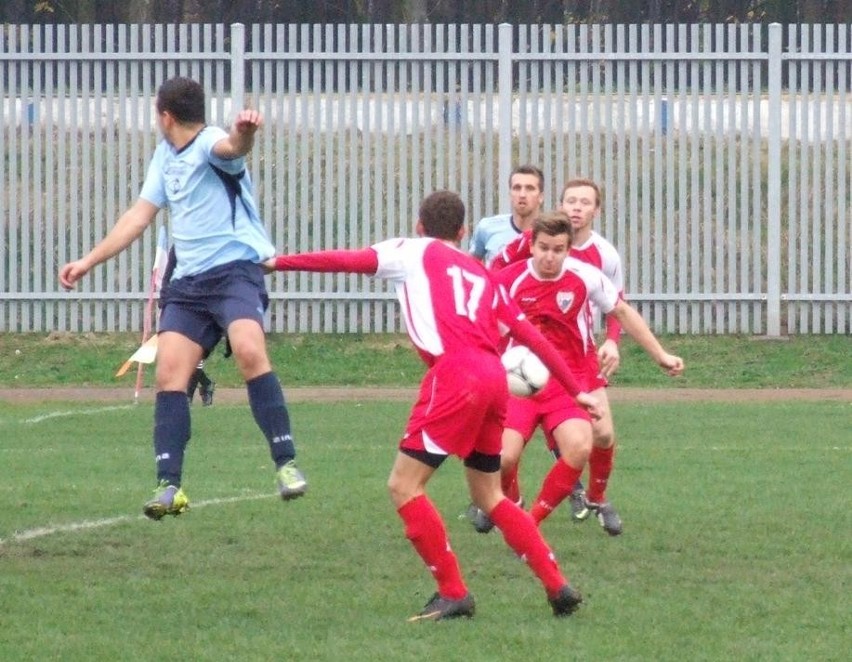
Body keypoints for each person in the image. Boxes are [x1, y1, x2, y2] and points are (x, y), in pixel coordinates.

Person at [266, 190, 601, 620]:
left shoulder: (410, 251)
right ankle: (558, 587)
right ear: (463, 232)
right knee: (489, 494)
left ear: (420, 226)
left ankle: (453, 592)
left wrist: (279, 262)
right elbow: (532, 338)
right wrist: (577, 389)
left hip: (456, 374)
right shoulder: (482, 272)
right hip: (496, 377)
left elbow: (347, 260)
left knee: (404, 486)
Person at [59, 76, 306, 520]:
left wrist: (245, 133)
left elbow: (232, 150)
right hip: (188, 285)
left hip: (234, 272)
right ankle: (169, 486)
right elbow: (139, 215)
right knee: (170, 373)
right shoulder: (164, 156)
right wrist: (88, 261)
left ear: (165, 115)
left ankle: (286, 464)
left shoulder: (211, 142)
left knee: (250, 350)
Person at [469, 211, 683, 533]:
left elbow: (621, 311)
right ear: (532, 246)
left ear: (569, 249)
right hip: (517, 384)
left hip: (570, 381)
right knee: (502, 459)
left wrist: (660, 355)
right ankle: (513, 505)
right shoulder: (508, 280)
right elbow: (480, 326)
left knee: (582, 446)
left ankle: (530, 524)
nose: (550, 257)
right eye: (543, 248)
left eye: (558, 249)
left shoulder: (585, 276)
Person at [490, 178, 630, 533]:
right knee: (507, 449)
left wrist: (612, 340)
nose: (577, 207)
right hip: (525, 361)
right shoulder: (534, 245)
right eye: (571, 200)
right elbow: (496, 285)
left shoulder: (604, 255)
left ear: (596, 210)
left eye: (585, 202)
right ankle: (510, 500)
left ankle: (596, 498)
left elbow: (618, 305)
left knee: (601, 435)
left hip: (577, 359)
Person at [469, 164, 545, 266]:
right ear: (510, 194)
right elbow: (471, 266)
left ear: (541, 197)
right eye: (517, 188)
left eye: (529, 188)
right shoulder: (487, 227)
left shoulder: (550, 233)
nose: (522, 194)